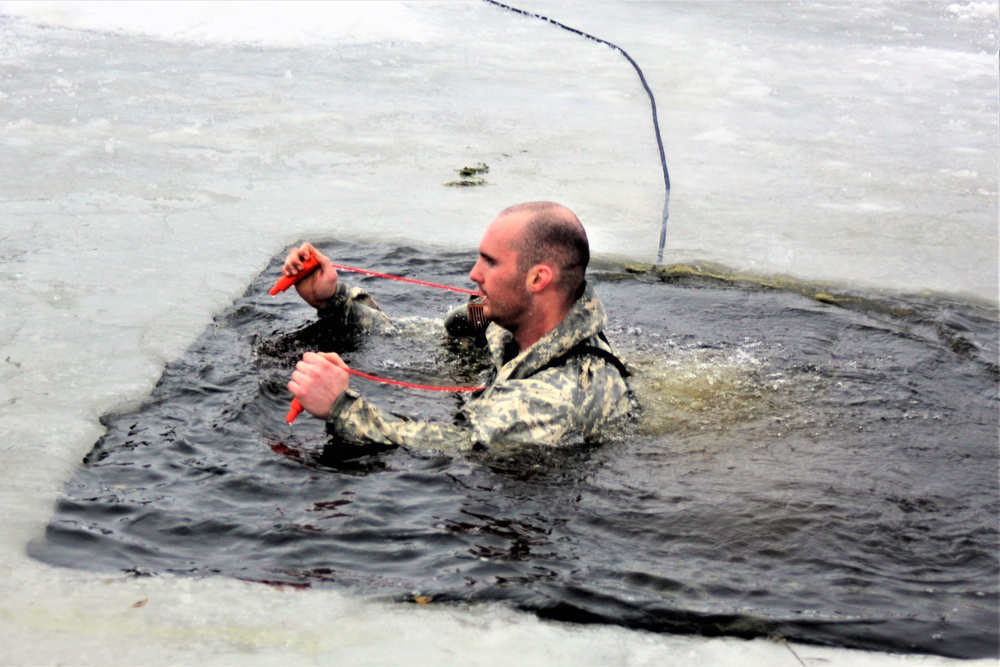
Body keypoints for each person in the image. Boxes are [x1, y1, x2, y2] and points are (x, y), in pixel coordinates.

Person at [283, 201, 631, 451]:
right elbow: (409, 339)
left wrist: (341, 408)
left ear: (538, 278)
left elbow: (455, 443)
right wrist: (333, 299)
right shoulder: (514, 322)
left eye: (490, 262)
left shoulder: (556, 398)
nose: (474, 274)